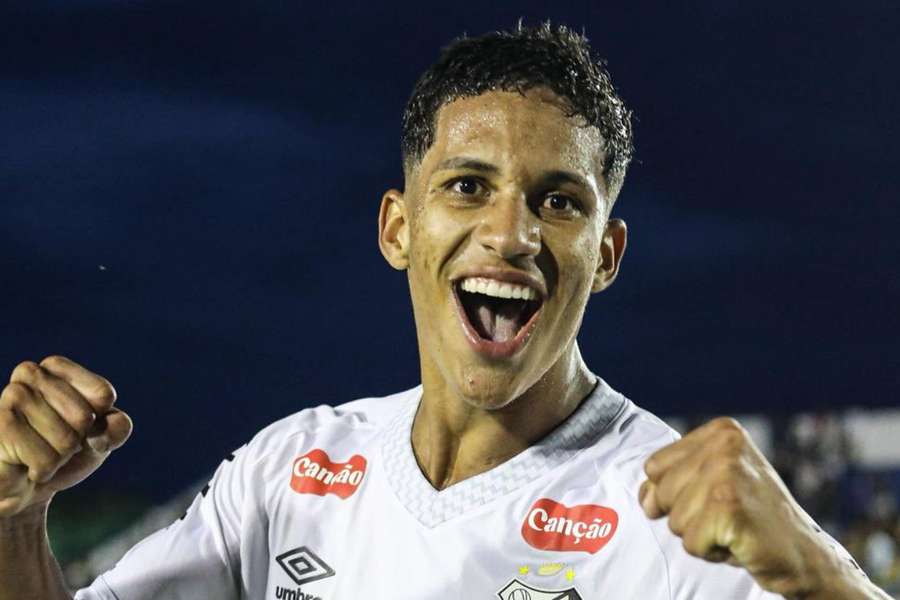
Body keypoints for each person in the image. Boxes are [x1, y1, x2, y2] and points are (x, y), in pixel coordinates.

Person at [0, 22, 889, 600]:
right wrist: (13, 518)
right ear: (399, 228)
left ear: (606, 256)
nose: (511, 234)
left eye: (559, 202)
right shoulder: (289, 474)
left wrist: (818, 574)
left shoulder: (669, 520)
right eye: (468, 186)